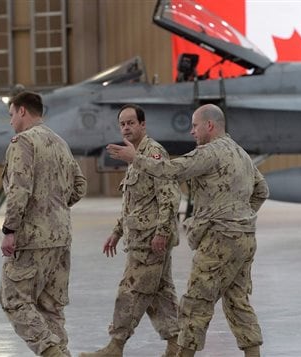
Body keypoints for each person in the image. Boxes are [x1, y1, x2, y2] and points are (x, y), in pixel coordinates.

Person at [106, 104, 269, 357]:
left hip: (219, 239)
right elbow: (262, 190)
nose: (192, 132)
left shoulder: (210, 153)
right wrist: (240, 217)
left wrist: (135, 158)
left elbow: (171, 171)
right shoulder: (240, 153)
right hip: (244, 239)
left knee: (195, 303)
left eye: (195, 126)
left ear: (210, 126)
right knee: (238, 301)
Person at [80, 104, 182, 357]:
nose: (126, 128)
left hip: (150, 240)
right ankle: (176, 343)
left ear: (143, 125)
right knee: (160, 292)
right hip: (141, 236)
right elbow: (133, 203)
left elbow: (169, 197)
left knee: (131, 290)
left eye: (131, 123)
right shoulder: (133, 156)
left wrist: (162, 233)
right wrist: (117, 232)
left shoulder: (153, 154)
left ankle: (116, 346)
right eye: (122, 124)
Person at [0, 91, 87, 357]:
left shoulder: (23, 142)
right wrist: (53, 209)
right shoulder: (59, 142)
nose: (11, 120)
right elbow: (80, 186)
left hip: (32, 239)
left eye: (11, 114)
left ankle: (53, 353)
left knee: (14, 300)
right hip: (60, 236)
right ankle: (61, 352)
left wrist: (10, 230)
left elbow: (19, 190)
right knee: (51, 306)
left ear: (22, 111)